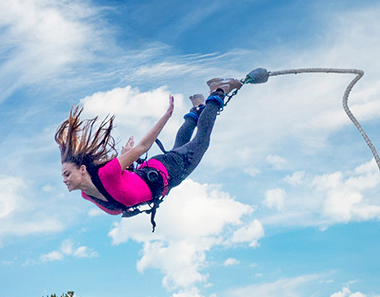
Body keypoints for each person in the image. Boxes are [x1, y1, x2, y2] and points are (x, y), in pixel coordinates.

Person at [56, 77, 243, 216]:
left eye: (67, 174)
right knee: (183, 145)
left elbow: (143, 146)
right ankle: (197, 108)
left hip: (168, 171)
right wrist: (127, 165)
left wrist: (166, 115)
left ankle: (219, 90)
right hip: (158, 174)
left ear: (82, 169)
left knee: (201, 143)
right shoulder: (87, 195)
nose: (64, 179)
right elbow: (125, 187)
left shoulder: (107, 173)